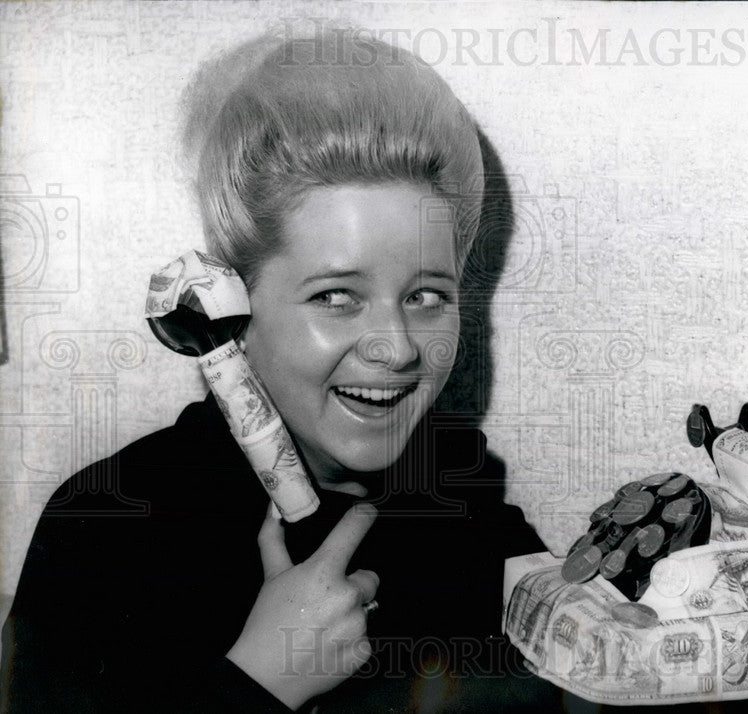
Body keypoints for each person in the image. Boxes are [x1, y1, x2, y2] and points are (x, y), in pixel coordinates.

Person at [1, 30, 561, 713]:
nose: (398, 348)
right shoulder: (104, 529)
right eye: (336, 296)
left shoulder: (456, 493)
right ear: (235, 305)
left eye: (425, 297)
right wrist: (259, 683)